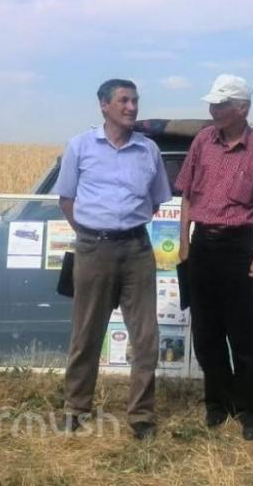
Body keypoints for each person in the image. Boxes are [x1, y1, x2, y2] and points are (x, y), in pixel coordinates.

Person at [52, 78, 172, 441]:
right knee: (87, 333)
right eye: (124, 101)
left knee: (146, 338)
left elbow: (156, 201)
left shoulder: (148, 150)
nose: (132, 107)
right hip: (93, 250)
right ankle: (76, 408)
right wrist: (93, 234)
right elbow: (67, 200)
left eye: (135, 100)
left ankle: (141, 416)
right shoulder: (80, 147)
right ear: (104, 105)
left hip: (137, 250)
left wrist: (124, 228)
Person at [175, 74, 253, 441]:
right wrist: (185, 243)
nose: (214, 110)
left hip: (239, 248)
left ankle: (251, 409)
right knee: (206, 332)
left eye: (221, 105)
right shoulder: (203, 141)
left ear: (243, 108)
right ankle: (217, 402)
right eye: (213, 104)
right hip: (202, 245)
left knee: (245, 332)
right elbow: (187, 194)